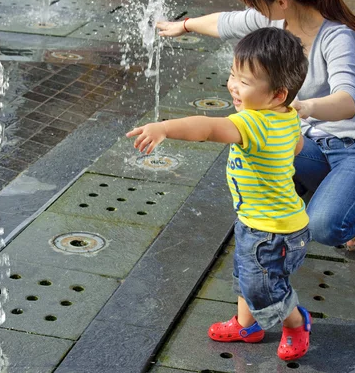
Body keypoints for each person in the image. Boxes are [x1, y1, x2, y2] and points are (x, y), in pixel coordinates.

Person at [157, 0, 355, 252]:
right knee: (249, 140)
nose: (252, 11)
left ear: (282, 1)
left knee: (323, 225)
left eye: (255, 4)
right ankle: (329, 189)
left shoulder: (338, 37)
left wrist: (306, 107)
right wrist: (184, 26)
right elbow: (225, 22)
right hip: (311, 142)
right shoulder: (273, 19)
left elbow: (347, 101)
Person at [127, 27, 313, 361]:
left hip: (272, 230)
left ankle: (297, 322)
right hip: (269, 223)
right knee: (247, 272)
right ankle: (247, 325)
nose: (232, 86)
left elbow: (209, 128)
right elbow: (298, 146)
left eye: (244, 81)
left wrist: (165, 128)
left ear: (277, 95)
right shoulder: (287, 117)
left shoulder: (252, 123)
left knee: (264, 288)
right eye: (232, 75)